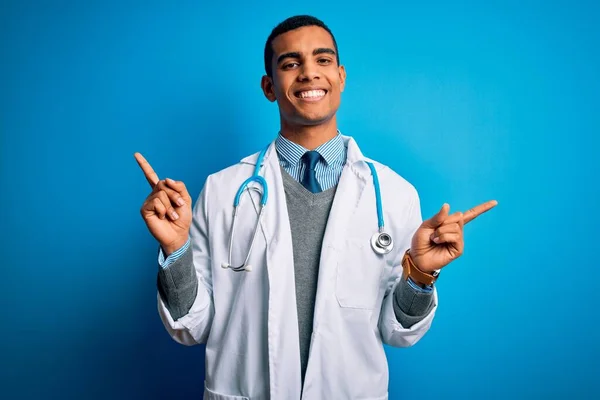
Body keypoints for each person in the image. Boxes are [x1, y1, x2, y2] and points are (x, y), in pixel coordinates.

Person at [135, 15, 496, 400]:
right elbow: (193, 326)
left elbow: (397, 331)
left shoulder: (393, 193)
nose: (309, 73)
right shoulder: (224, 190)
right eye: (291, 64)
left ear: (340, 76)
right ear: (269, 87)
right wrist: (176, 251)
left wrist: (421, 273)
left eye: (322, 61)